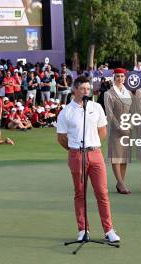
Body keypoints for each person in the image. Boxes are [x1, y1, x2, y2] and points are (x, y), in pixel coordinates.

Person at [56, 75, 121, 243]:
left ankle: (108, 230)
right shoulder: (66, 111)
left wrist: (93, 144)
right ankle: (83, 229)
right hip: (77, 154)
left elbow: (102, 131)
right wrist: (74, 150)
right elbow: (61, 137)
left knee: (102, 192)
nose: (86, 91)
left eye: (88, 89)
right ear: (74, 90)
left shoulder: (96, 107)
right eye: (83, 89)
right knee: (80, 193)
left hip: (95, 153)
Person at [104, 68, 133, 194]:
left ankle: (120, 182)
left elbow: (133, 112)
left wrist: (130, 126)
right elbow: (109, 114)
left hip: (127, 129)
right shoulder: (108, 94)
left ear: (125, 78)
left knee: (124, 157)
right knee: (116, 157)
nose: (120, 79)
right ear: (114, 78)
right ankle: (121, 184)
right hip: (115, 130)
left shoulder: (129, 94)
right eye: (117, 77)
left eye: (122, 76)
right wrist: (119, 128)